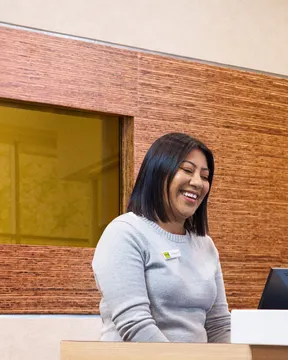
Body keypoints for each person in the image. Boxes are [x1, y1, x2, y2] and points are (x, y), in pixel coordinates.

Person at [92, 132, 231, 343]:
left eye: (204, 176)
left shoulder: (206, 245)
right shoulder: (124, 232)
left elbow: (218, 324)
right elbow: (135, 325)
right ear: (158, 172)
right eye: (187, 170)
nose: (197, 182)